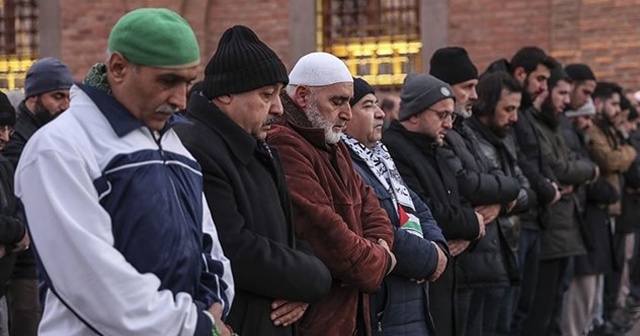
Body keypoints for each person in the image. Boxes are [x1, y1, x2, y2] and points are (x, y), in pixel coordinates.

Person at [14, 8, 234, 335]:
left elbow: (211, 253)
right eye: (168, 81)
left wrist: (211, 310)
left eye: (188, 82)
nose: (181, 100)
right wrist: (198, 326)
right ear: (118, 68)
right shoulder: (58, 147)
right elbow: (93, 284)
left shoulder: (176, 146)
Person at [176, 25, 332, 336]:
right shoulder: (197, 148)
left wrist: (304, 283)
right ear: (226, 94)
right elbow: (235, 248)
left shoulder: (257, 144)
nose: (277, 107)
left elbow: (289, 236)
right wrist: (314, 279)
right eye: (266, 94)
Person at [267, 52, 396, 336]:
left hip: (347, 315)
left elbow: (373, 209)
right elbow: (326, 233)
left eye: (348, 102)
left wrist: (377, 248)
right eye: (337, 102)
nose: (347, 114)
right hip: (319, 322)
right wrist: (382, 260)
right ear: (302, 96)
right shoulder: (285, 143)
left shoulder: (331, 143)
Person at [343, 77, 448, 335]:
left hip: (412, 306)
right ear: (345, 115)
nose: (380, 114)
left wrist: (438, 246)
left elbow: (419, 209)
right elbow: (377, 228)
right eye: (367, 106)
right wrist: (429, 258)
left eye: (378, 105)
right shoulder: (346, 166)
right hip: (387, 310)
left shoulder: (382, 161)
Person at [382, 73, 485, 336]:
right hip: (423, 278)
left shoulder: (436, 147)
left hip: (451, 274)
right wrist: (473, 223)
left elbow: (458, 199)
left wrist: (468, 233)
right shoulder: (394, 150)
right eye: (442, 115)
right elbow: (419, 210)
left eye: (451, 116)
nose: (449, 124)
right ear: (414, 115)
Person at [431, 47, 522, 336]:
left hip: (491, 260)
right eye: (467, 87)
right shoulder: (443, 134)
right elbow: (464, 183)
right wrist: (503, 193)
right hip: (467, 266)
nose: (474, 95)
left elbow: (506, 179)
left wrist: (500, 203)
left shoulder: (468, 130)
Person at [1, 56, 74, 336]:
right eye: (57, 96)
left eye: (68, 97)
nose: (65, 105)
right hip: (23, 265)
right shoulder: (15, 141)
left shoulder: (47, 134)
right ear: (34, 97)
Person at [528, 65, 597, 336]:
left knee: (555, 307)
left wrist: (585, 169)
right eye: (561, 93)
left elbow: (574, 161)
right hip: (550, 229)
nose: (566, 101)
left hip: (565, 228)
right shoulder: (538, 123)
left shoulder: (556, 123)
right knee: (540, 312)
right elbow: (559, 167)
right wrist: (588, 171)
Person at [0, 92, 29, 336]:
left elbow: (17, 208)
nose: (5, 137)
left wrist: (13, 236)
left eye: (8, 128)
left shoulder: (4, 165)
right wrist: (16, 232)